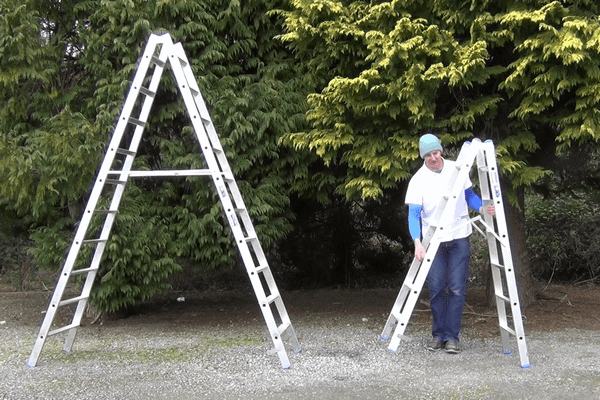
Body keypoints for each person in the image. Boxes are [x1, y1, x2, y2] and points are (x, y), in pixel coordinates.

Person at [404, 133, 495, 354]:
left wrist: (482, 208)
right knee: (436, 289)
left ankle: (452, 337)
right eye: (428, 155)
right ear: (423, 157)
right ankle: (439, 335)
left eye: (436, 152)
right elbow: (413, 215)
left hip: (459, 237)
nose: (433, 158)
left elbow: (469, 196)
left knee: (456, 289)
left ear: (441, 150)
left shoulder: (458, 169)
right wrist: (417, 242)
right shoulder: (418, 180)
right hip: (432, 242)